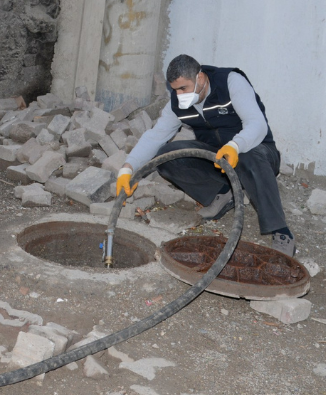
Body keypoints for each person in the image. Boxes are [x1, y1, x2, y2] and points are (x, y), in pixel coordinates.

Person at [116, 54, 296, 256]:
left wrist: (236, 145)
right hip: (218, 159)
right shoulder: (178, 103)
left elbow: (257, 124)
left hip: (256, 153)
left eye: (183, 88)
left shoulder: (230, 82)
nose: (179, 95)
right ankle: (223, 193)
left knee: (249, 155)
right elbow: (155, 136)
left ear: (200, 78)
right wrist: (128, 168)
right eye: (175, 90)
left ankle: (281, 230)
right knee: (167, 156)